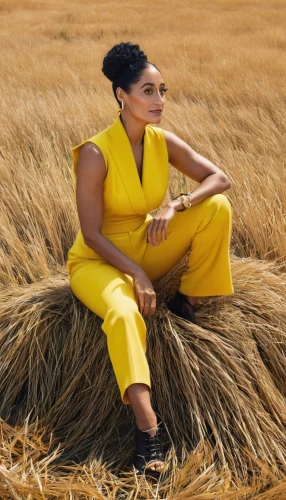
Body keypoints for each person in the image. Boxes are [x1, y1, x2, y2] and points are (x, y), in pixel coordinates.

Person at [66, 42, 234, 478]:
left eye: (162, 90)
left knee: (216, 208)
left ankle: (188, 302)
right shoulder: (94, 153)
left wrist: (176, 203)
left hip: (145, 240)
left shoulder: (162, 141)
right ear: (122, 95)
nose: (159, 101)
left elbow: (220, 178)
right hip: (99, 260)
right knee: (123, 312)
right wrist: (137, 273)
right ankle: (148, 429)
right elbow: (91, 233)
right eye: (148, 91)